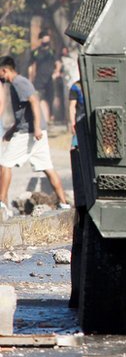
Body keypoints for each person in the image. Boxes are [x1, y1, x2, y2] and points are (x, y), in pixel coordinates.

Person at [0, 56, 70, 217]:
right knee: (47, 167)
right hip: (34, 132)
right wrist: (12, 130)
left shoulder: (19, 82)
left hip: (30, 133)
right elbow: (24, 112)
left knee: (4, 164)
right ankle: (64, 204)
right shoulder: (15, 85)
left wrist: (37, 127)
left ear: (5, 70)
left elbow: (35, 102)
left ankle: (2, 204)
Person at [28, 30, 61, 125]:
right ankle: (46, 120)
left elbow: (58, 63)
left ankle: (52, 116)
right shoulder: (35, 52)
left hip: (50, 79)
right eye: (44, 36)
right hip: (39, 79)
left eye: (47, 36)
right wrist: (30, 78)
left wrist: (56, 72)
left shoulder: (52, 51)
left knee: (51, 98)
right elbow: (31, 66)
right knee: (40, 98)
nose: (46, 38)